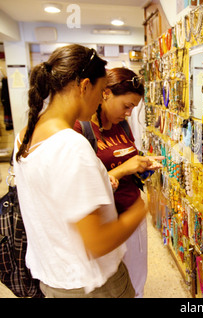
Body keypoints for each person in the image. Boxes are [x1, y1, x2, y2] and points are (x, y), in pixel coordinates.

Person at [13, 44, 147, 298]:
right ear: (85, 86)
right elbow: (97, 243)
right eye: (100, 90)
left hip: (54, 278)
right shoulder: (71, 146)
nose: (100, 99)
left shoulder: (25, 136)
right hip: (91, 285)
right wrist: (140, 211)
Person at [74, 67, 163, 297]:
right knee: (110, 286)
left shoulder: (121, 126)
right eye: (126, 106)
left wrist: (142, 165)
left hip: (131, 213)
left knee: (136, 282)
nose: (129, 113)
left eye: (133, 107)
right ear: (105, 94)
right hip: (104, 224)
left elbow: (127, 158)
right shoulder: (81, 129)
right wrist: (123, 169)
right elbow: (78, 181)